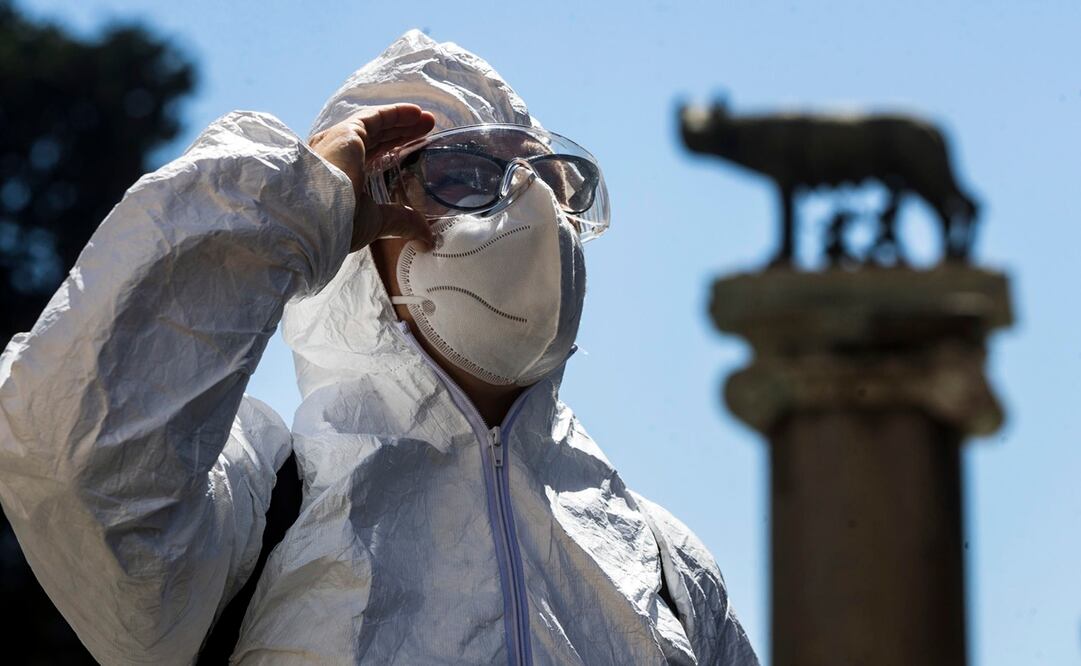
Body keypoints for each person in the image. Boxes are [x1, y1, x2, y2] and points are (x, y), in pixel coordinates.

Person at [0, 30, 758, 665]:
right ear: (360, 230)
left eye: (551, 181)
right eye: (463, 175)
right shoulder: (258, 505)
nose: (533, 209)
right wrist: (290, 201)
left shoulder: (664, 564)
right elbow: (69, 458)